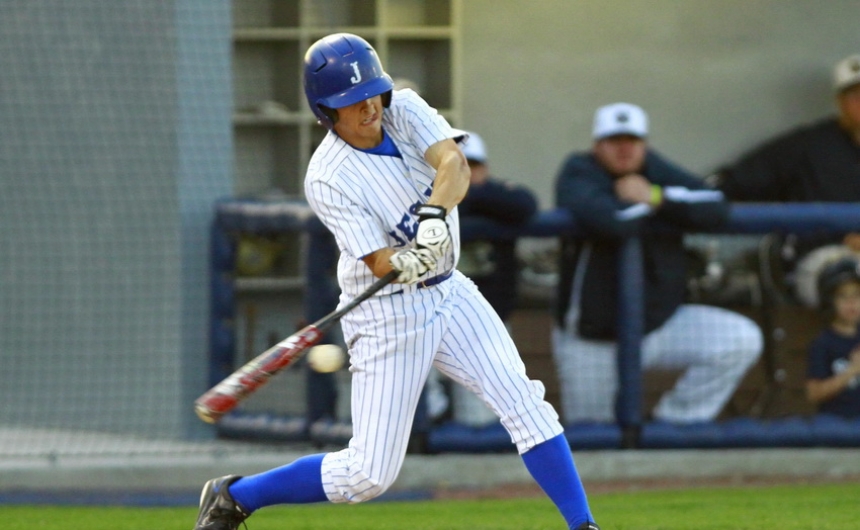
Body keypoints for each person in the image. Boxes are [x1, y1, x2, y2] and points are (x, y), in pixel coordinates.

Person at [193, 33, 599, 530]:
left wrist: (433, 214)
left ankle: (583, 525)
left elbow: (454, 163)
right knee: (367, 475)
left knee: (524, 402)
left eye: (372, 95)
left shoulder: (403, 107)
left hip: (451, 292)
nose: (367, 108)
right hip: (389, 313)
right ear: (326, 110)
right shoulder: (327, 176)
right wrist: (402, 261)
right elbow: (380, 261)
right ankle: (236, 495)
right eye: (351, 102)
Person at [552, 102, 763, 425]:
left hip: (659, 325)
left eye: (632, 141)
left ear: (644, 145)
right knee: (593, 442)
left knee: (740, 339)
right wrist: (661, 204)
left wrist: (654, 197)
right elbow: (612, 219)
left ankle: (672, 424)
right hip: (592, 337)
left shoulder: (654, 172)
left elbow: (716, 206)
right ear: (597, 146)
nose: (625, 149)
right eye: (614, 141)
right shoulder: (579, 170)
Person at [715, 54, 860, 282]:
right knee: (844, 272)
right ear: (840, 102)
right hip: (823, 260)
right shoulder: (808, 146)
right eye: (855, 95)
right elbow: (733, 184)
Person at [447, 131, 540, 426]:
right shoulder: (419, 197)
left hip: (485, 329)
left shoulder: (498, 197)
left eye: (470, 165)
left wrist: (468, 196)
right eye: (453, 163)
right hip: (425, 323)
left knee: (478, 422)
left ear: (485, 170)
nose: (463, 171)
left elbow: (525, 205)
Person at [805, 258, 860, 418]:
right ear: (830, 302)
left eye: (857, 295)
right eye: (843, 296)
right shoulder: (823, 343)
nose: (852, 303)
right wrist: (852, 370)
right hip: (835, 430)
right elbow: (813, 394)